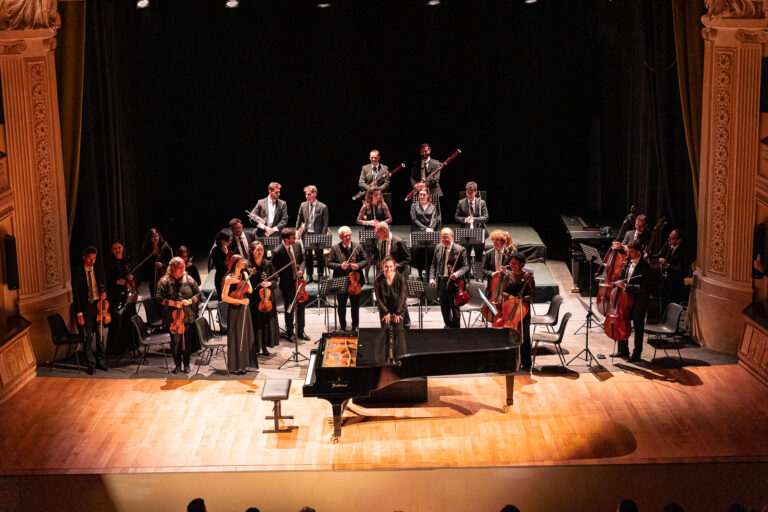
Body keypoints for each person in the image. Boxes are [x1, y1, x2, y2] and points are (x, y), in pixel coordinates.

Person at [156, 257, 201, 374]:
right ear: (172, 268)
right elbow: (158, 298)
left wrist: (190, 301)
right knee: (175, 342)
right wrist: (174, 303)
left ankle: (186, 364)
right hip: (173, 318)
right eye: (180, 268)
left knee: (187, 341)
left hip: (187, 316)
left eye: (183, 267)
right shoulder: (165, 281)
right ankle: (177, 365)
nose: (182, 270)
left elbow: (198, 293)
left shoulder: (189, 279)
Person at [71, 245, 109, 374]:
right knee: (87, 337)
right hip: (86, 307)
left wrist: (104, 293)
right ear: (84, 258)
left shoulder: (98, 270)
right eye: (89, 259)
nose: (92, 261)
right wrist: (79, 313)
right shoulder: (77, 272)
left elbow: (103, 285)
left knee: (100, 335)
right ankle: (91, 364)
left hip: (98, 306)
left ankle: (101, 362)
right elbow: (75, 295)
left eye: (94, 258)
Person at [612, 239, 651, 362]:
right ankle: (623, 351)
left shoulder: (645, 267)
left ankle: (636, 354)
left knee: (638, 328)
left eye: (632, 252)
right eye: (628, 251)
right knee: (623, 323)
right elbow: (624, 278)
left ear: (639, 252)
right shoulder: (628, 262)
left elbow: (643, 287)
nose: (629, 254)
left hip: (639, 302)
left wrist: (626, 286)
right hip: (627, 300)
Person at [271, 228, 309, 341]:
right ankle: (290, 333)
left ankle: (301, 331)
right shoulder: (277, 251)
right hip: (287, 285)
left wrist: (301, 270)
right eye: (293, 237)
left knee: (301, 307)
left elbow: (303, 260)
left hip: (299, 282)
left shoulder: (297, 245)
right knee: (290, 309)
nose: (295, 238)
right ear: (286, 239)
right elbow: (275, 270)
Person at [327, 226, 367, 332]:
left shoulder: (357, 247)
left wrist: (357, 265)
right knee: (341, 306)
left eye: (349, 235)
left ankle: (355, 325)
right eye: (345, 236)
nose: (348, 237)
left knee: (355, 306)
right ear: (340, 237)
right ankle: (343, 327)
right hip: (341, 281)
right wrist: (340, 266)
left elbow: (365, 261)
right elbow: (329, 263)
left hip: (356, 281)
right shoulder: (335, 248)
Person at [500, 252, 535, 370]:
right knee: (509, 336)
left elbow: (532, 295)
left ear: (522, 264)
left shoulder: (528, 277)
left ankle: (526, 364)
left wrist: (523, 298)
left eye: (515, 263)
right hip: (510, 309)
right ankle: (510, 362)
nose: (512, 265)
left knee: (524, 337)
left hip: (523, 310)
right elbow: (503, 292)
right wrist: (510, 297)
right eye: (511, 263)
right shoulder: (507, 276)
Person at [221, 255, 256, 374]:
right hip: (235, 309)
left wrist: (245, 279)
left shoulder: (245, 274)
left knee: (245, 335)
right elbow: (224, 297)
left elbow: (250, 290)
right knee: (235, 337)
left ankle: (245, 365)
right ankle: (235, 366)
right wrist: (240, 301)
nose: (244, 262)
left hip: (244, 308)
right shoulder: (228, 278)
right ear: (236, 263)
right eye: (242, 260)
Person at [429, 227, 470, 328]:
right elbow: (433, 265)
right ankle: (447, 326)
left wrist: (457, 273)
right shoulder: (438, 247)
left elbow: (466, 266)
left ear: (452, 236)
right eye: (442, 238)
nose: (444, 240)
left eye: (446, 237)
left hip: (454, 283)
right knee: (444, 308)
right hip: (442, 281)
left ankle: (455, 330)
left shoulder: (460, 250)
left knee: (455, 309)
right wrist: (431, 278)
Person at [374, 222, 411, 329]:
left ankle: (406, 324)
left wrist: (394, 267)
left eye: (377, 232)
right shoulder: (381, 241)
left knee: (401, 301)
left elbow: (408, 258)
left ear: (384, 232)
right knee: (391, 299)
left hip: (399, 275)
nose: (376, 234)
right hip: (387, 275)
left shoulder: (398, 242)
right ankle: (393, 323)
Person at [248, 241, 279, 356]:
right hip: (255, 299)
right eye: (257, 250)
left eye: (261, 249)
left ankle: (265, 347)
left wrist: (269, 283)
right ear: (251, 251)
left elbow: (276, 279)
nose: (260, 252)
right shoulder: (249, 266)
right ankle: (256, 347)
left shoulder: (268, 264)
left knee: (266, 323)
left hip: (267, 299)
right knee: (256, 323)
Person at [374, 257, 407, 363]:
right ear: (382, 267)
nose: (388, 269)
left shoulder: (400, 278)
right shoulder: (378, 280)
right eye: (386, 267)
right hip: (385, 310)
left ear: (394, 267)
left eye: (390, 267)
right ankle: (386, 358)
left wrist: (397, 313)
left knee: (398, 332)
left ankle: (399, 358)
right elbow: (379, 299)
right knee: (386, 331)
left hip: (398, 308)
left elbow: (402, 296)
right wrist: (386, 312)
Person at [105, 241, 136, 354]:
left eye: (119, 247)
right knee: (118, 319)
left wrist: (131, 277)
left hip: (128, 293)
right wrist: (116, 281)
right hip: (116, 294)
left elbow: (132, 273)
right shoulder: (110, 263)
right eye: (114, 248)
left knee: (129, 316)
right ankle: (117, 348)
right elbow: (107, 279)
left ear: (122, 248)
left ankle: (130, 344)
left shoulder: (127, 260)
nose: (117, 250)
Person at [296, 185, 329, 282]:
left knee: (319, 256)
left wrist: (322, 237)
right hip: (306, 235)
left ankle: (320, 275)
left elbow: (325, 224)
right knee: (308, 256)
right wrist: (297, 231)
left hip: (318, 235)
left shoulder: (323, 207)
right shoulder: (303, 205)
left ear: (314, 194)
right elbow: (299, 220)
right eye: (306, 194)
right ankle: (309, 276)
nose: (307, 196)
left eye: (309, 194)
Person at [455, 181, 489, 262]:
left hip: (479, 232)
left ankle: (477, 274)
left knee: (479, 257)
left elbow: (486, 217)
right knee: (466, 257)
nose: (469, 195)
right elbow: (456, 217)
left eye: (471, 193)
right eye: (467, 192)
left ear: (475, 192)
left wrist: (474, 219)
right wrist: (465, 219)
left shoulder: (482, 202)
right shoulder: (461, 202)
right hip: (466, 233)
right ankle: (467, 274)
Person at [410, 143, 443, 227]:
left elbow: (436, 179)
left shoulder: (436, 163)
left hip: (433, 191)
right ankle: (420, 228)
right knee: (418, 212)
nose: (424, 153)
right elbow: (412, 177)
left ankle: (436, 229)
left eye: (425, 151)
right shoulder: (416, 163)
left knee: (436, 214)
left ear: (429, 151)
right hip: (419, 192)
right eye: (422, 152)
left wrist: (424, 186)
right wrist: (415, 185)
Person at [654, 229, 690, 304]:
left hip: (675, 284)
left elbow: (682, 271)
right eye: (669, 237)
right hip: (665, 281)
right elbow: (658, 255)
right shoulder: (668, 244)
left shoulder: (684, 252)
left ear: (679, 240)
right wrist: (649, 255)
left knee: (672, 303)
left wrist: (668, 265)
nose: (668, 239)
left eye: (672, 238)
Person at [410, 188, 438, 281]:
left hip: (429, 231)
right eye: (420, 194)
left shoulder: (433, 206)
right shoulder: (414, 206)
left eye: (423, 195)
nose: (421, 196)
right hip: (418, 231)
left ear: (428, 195)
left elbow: (434, 219)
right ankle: (419, 273)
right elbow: (414, 219)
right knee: (418, 251)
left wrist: (430, 228)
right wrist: (425, 228)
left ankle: (429, 272)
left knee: (431, 250)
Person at [140, 227, 172, 297]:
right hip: (153, 279)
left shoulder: (165, 247)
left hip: (165, 276)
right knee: (155, 297)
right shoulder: (147, 250)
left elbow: (171, 261)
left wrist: (162, 265)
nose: (155, 238)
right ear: (149, 239)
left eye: (157, 236)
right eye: (153, 237)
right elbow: (144, 265)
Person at [210, 230, 232, 300]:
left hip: (229, 275)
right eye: (228, 240)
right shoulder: (215, 251)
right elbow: (219, 267)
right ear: (222, 241)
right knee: (222, 298)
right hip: (221, 277)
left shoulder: (227, 248)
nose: (230, 242)